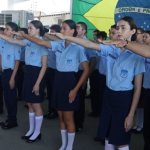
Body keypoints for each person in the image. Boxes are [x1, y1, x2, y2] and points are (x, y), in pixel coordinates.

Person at [50, 16, 145, 150]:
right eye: (118, 28)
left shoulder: (137, 54)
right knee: (107, 136)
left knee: (122, 139)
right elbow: (89, 44)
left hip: (123, 97)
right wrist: (65, 37)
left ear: (133, 31)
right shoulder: (111, 48)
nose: (119, 31)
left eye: (123, 28)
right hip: (108, 95)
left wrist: (130, 114)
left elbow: (137, 88)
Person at [13, 19, 89, 150]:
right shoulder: (58, 44)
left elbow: (86, 70)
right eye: (61, 28)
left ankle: (69, 146)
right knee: (60, 115)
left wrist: (76, 89)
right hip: (58, 79)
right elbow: (41, 42)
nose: (62, 31)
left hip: (69, 81)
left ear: (72, 31)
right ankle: (63, 144)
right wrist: (26, 35)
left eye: (64, 28)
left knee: (69, 117)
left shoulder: (78, 48)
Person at [0, 20, 48, 143]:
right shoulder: (28, 42)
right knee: (30, 104)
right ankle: (31, 130)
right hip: (28, 74)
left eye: (31, 28)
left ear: (38, 29)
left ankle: (37, 132)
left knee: (36, 105)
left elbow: (44, 66)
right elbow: (12, 40)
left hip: (37, 75)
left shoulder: (43, 43)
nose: (28, 30)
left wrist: (37, 83)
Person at [74, 22, 97, 131]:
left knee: (79, 99)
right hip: (71, 72)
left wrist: (86, 77)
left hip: (81, 73)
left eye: (78, 27)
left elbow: (93, 60)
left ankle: (78, 123)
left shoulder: (87, 43)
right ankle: (71, 121)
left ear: (84, 31)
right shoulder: (73, 41)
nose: (76, 29)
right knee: (71, 97)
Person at [0, 22, 21, 129]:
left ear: (12, 31)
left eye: (7, 29)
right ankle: (9, 118)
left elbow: (17, 62)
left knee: (11, 98)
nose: (4, 31)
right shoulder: (4, 43)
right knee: (7, 98)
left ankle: (13, 120)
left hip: (11, 73)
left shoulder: (16, 44)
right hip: (4, 73)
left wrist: (12, 77)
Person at [44, 24, 61, 120]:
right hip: (49, 69)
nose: (51, 33)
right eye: (51, 31)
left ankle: (55, 110)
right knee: (50, 92)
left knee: (55, 92)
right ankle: (51, 110)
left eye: (53, 32)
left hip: (56, 71)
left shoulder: (60, 42)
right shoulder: (49, 42)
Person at [132, 28, 145, 134]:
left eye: (139, 34)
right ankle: (138, 123)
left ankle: (141, 124)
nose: (137, 35)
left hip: (144, 77)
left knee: (142, 102)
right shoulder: (132, 45)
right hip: (134, 76)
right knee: (137, 103)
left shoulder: (144, 47)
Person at [141, 30, 150, 150]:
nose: (143, 38)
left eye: (146, 37)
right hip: (146, 89)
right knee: (147, 122)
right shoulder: (141, 51)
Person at [16, 28, 28, 101]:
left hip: (24, 63)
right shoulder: (18, 42)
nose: (20, 34)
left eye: (22, 33)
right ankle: (20, 95)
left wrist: (25, 64)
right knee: (19, 80)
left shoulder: (27, 42)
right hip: (18, 62)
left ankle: (23, 96)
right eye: (19, 32)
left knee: (23, 80)